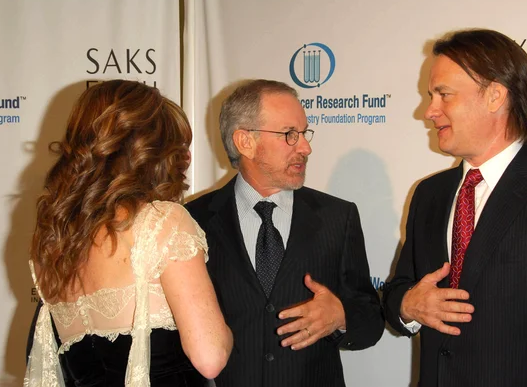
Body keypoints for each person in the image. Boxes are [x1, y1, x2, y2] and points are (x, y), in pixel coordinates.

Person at [383, 29, 527, 387]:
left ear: (494, 96)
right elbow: (399, 289)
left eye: (443, 94)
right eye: (431, 96)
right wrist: (408, 306)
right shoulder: (430, 194)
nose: (429, 111)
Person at [25, 80, 232, 386]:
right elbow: (209, 357)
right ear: (151, 150)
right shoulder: (162, 222)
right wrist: (227, 331)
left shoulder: (52, 242)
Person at [185, 79, 385, 387]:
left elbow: (371, 321)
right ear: (245, 141)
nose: (305, 147)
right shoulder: (192, 221)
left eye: (304, 133)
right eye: (289, 135)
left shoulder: (337, 217)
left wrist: (341, 315)